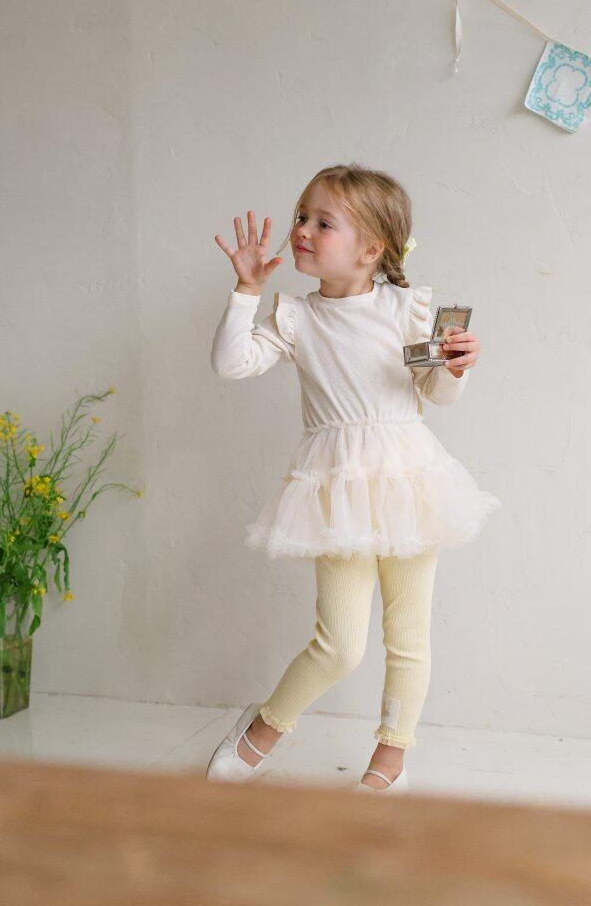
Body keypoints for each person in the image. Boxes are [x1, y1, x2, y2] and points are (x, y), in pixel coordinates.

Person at [205, 163, 501, 793]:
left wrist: (456, 368)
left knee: (408, 636)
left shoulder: (406, 308)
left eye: (323, 222)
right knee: (340, 644)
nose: (302, 230)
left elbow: (436, 394)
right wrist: (245, 292)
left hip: (410, 482)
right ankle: (263, 729)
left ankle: (391, 756)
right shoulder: (296, 317)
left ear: (371, 249)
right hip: (337, 487)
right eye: (301, 217)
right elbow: (232, 364)